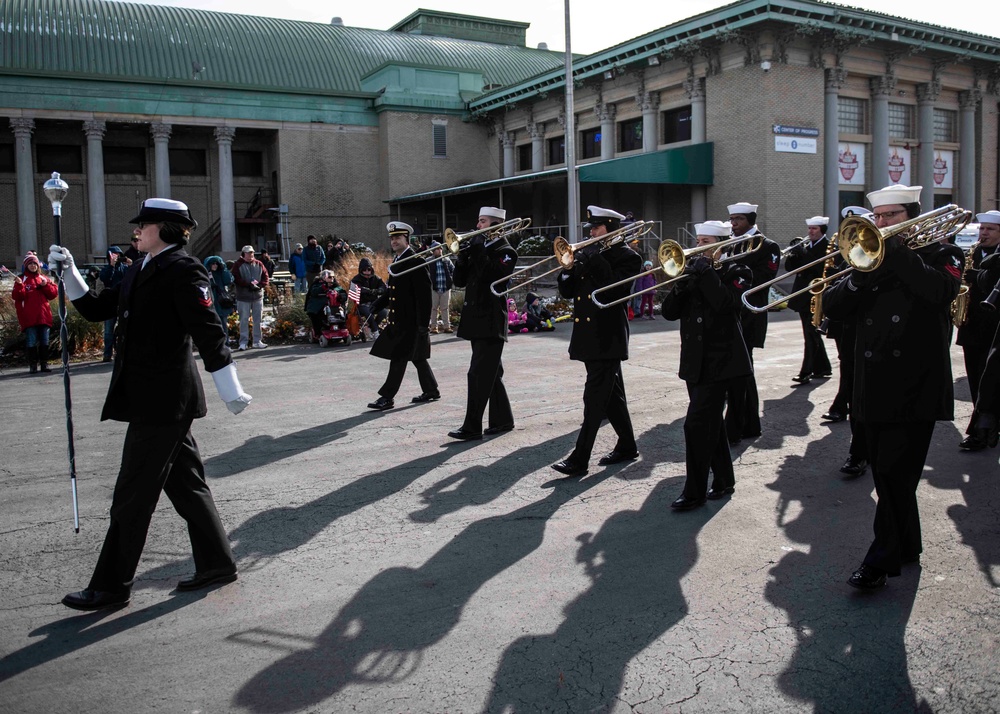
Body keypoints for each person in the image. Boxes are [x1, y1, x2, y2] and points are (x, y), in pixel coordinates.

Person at [47, 197, 252, 611]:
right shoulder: (140, 266)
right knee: (189, 487)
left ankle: (111, 587)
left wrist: (230, 387)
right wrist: (68, 272)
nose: (136, 231)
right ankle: (217, 563)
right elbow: (96, 308)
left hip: (164, 401)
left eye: (143, 225)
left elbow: (209, 330)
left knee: (131, 496)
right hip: (149, 397)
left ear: (165, 228)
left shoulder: (183, 269)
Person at [823, 184, 963, 590]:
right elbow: (833, 306)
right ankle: (906, 545)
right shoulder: (870, 260)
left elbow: (940, 292)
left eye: (890, 217)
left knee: (894, 473)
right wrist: (859, 278)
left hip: (914, 385)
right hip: (872, 384)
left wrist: (895, 253)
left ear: (913, 215)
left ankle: (879, 561)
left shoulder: (943, 253)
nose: (880, 224)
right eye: (877, 217)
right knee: (888, 478)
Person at [661, 221, 753, 509]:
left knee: (696, 426)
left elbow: (726, 305)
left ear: (721, 245)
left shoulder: (739, 271)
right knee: (711, 425)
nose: (698, 247)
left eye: (705, 242)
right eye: (698, 241)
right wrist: (680, 285)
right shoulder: (693, 272)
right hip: (694, 362)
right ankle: (724, 480)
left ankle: (694, 492)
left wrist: (705, 274)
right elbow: (668, 313)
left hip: (722, 362)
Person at [551, 206, 642, 476]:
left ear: (612, 229)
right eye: (590, 228)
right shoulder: (590, 255)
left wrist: (592, 259)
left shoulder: (628, 257)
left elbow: (615, 289)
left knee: (593, 400)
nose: (590, 233)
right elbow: (568, 292)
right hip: (588, 337)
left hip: (608, 337)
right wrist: (568, 269)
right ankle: (627, 445)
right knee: (610, 396)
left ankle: (580, 459)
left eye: (596, 228)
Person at [447, 207, 518, 440]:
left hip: (491, 322)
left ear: (496, 225)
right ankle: (503, 420)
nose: (477, 226)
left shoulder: (506, 251)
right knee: (491, 373)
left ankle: (472, 427)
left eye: (483, 222)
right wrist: (462, 257)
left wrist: (477, 250)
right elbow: (459, 281)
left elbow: (492, 277)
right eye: (478, 221)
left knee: (477, 374)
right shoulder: (480, 248)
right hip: (475, 320)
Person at [723, 201, 780, 444]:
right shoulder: (726, 241)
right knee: (739, 373)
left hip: (749, 315)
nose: (734, 223)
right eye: (732, 219)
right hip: (729, 314)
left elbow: (764, 278)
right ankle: (749, 424)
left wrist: (733, 269)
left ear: (751, 220)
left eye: (739, 219)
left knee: (742, 372)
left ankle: (738, 426)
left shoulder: (767, 245)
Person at [366, 222, 439, 410]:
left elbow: (424, 296)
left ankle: (387, 397)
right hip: (399, 320)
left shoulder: (416, 261)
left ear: (407, 239)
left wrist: (424, 324)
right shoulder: (398, 261)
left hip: (411, 322)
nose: (394, 241)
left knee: (398, 357)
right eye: (392, 238)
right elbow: (393, 291)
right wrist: (378, 304)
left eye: (398, 237)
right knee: (418, 358)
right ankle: (431, 390)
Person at [824, 207, 871, 478]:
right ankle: (859, 451)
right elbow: (836, 300)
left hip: (886, 340)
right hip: (852, 332)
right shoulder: (850, 254)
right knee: (856, 390)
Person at [955, 210, 1000, 451]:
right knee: (975, 377)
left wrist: (980, 277)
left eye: (990, 229)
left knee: (990, 379)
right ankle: (982, 422)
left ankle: (980, 430)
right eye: (982, 228)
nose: (983, 233)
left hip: (994, 326)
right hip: (972, 326)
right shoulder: (973, 251)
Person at [784, 216, 833, 385]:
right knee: (810, 333)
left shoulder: (829, 246)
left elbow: (820, 268)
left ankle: (806, 370)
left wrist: (804, 254)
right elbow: (791, 268)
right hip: (803, 294)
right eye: (809, 228)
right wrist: (793, 253)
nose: (810, 232)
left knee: (811, 334)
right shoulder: (806, 246)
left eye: (814, 229)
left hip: (816, 295)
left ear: (822, 230)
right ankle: (822, 367)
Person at [11, 251, 58, 374]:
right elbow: (17, 296)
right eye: (30, 263)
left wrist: (45, 285)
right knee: (31, 341)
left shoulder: (43, 278)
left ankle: (44, 364)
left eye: (35, 263)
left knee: (44, 341)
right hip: (29, 317)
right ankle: (33, 365)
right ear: (26, 265)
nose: (33, 266)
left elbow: (53, 294)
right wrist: (20, 286)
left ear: (38, 265)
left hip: (44, 315)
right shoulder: (21, 279)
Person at [232, 245, 269, 350]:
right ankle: (243, 342)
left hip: (257, 296)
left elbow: (266, 276)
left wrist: (260, 285)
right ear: (243, 254)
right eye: (248, 253)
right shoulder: (237, 265)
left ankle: (257, 341)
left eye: (252, 253)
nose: (250, 255)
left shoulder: (259, 264)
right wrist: (248, 285)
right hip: (243, 297)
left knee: (258, 320)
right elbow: (236, 278)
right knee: (244, 320)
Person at [97, 246, 129, 363]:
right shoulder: (106, 269)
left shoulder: (125, 268)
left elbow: (132, 278)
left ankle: (122, 352)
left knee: (124, 328)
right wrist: (111, 265)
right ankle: (107, 354)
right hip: (110, 303)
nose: (117, 257)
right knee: (108, 330)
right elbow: (105, 278)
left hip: (123, 301)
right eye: (114, 255)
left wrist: (131, 265)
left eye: (118, 255)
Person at [351, 257, 388, 334]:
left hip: (374, 303)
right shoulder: (356, 279)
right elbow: (356, 289)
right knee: (369, 313)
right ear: (361, 270)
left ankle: (372, 328)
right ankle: (375, 332)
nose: (367, 272)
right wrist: (369, 291)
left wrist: (380, 290)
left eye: (369, 269)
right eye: (364, 270)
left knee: (384, 312)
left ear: (372, 269)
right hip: (361, 304)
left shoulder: (376, 278)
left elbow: (383, 286)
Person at [427, 241, 454, 334]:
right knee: (433, 308)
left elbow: (453, 270)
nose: (440, 250)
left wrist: (451, 279)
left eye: (440, 248)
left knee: (445, 308)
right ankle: (434, 327)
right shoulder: (429, 260)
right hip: (434, 288)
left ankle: (447, 327)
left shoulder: (447, 260)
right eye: (437, 249)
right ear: (433, 251)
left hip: (445, 287)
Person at [305, 269, 339, 339]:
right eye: (329, 277)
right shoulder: (317, 283)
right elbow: (314, 292)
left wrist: (342, 296)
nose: (332, 279)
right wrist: (324, 287)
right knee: (318, 315)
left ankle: (338, 330)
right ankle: (318, 333)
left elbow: (341, 291)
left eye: (333, 277)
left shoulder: (334, 285)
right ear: (324, 278)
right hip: (318, 305)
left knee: (342, 314)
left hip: (333, 305)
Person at [204, 255, 235, 328]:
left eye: (216, 264)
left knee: (223, 324)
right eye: (213, 264)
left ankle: (225, 339)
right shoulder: (205, 274)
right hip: (210, 300)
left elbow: (228, 281)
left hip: (221, 301)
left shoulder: (221, 273)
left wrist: (224, 268)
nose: (215, 265)